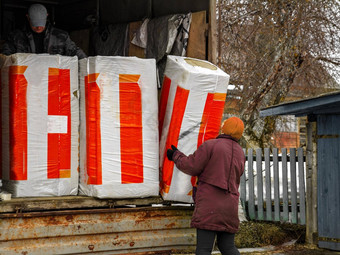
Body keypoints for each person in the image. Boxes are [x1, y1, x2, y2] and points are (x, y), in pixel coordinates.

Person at [166, 116, 245, 255]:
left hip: (210, 206)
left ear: (224, 128)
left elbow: (192, 166)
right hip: (230, 208)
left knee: (204, 249)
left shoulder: (211, 145)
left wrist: (175, 155)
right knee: (228, 247)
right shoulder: (240, 152)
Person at [1, 3, 86, 59]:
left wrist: (89, 64)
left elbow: (75, 52)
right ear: (28, 18)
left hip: (53, 78)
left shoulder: (60, 36)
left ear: (46, 16)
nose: (38, 27)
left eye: (41, 23)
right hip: (27, 79)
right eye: (35, 24)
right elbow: (5, 57)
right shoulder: (16, 37)